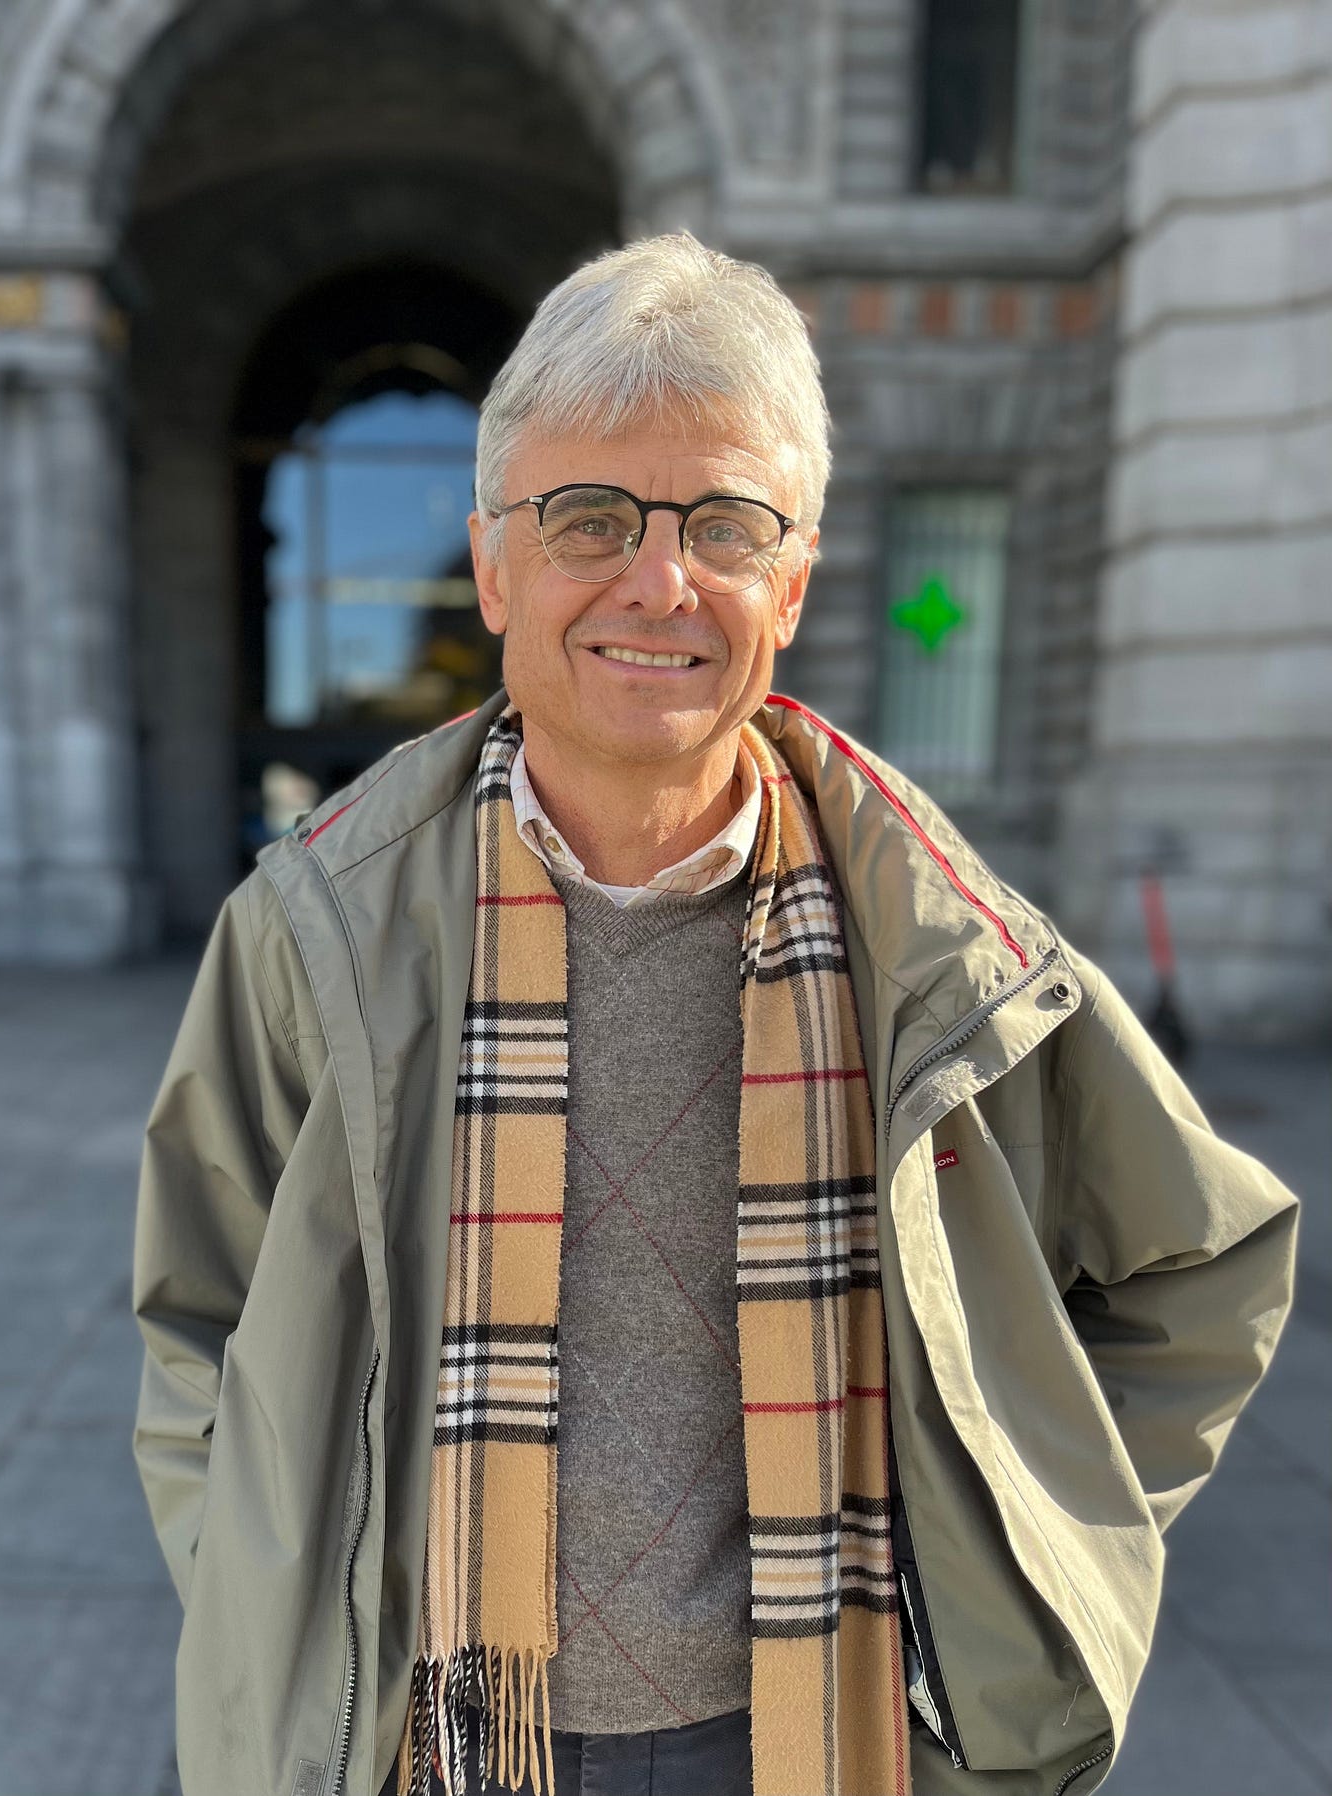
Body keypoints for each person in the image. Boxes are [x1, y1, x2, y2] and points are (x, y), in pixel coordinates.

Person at [132, 234, 1298, 1796]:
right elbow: (198, 1322)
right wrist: (266, 1597)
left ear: (791, 585)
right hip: (433, 1738)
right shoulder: (312, 930)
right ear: (493, 567)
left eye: (726, 527)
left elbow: (1200, 1273)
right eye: (589, 518)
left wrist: (1039, 1561)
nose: (659, 581)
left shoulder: (944, 948)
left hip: (818, 1734)